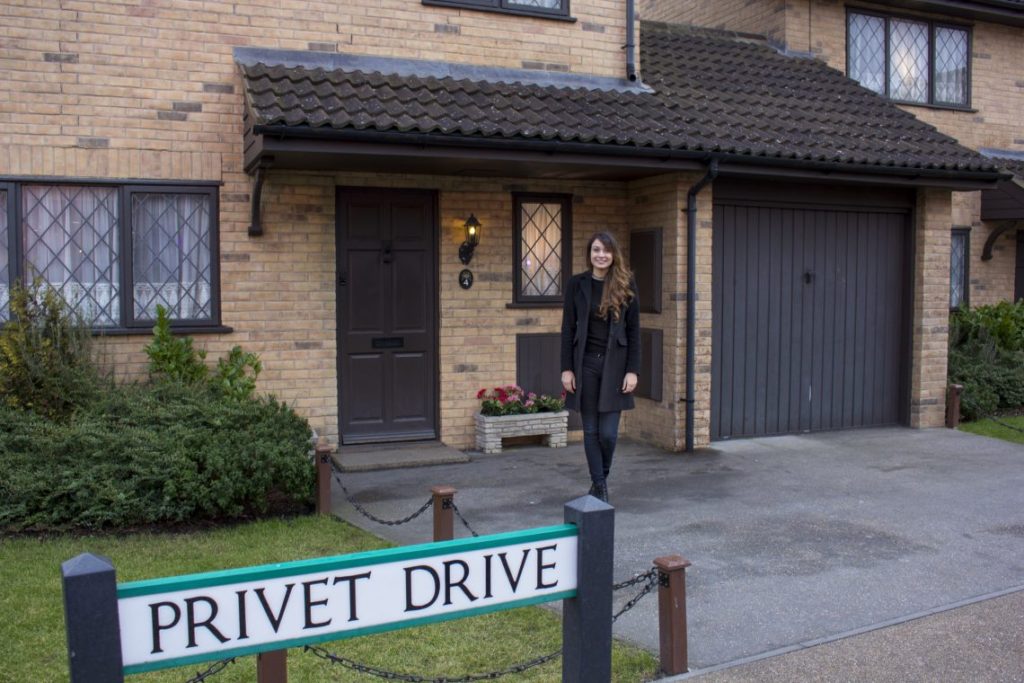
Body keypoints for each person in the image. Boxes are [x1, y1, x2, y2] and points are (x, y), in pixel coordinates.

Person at [560, 232, 640, 503]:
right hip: (585, 366)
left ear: (613, 254)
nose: (601, 255)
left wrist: (633, 370)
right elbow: (567, 328)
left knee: (608, 434)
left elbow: (634, 331)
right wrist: (566, 369)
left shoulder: (625, 284)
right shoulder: (576, 284)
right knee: (591, 430)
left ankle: (599, 481)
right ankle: (601, 487)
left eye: (606, 251)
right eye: (596, 250)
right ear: (590, 253)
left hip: (615, 368)